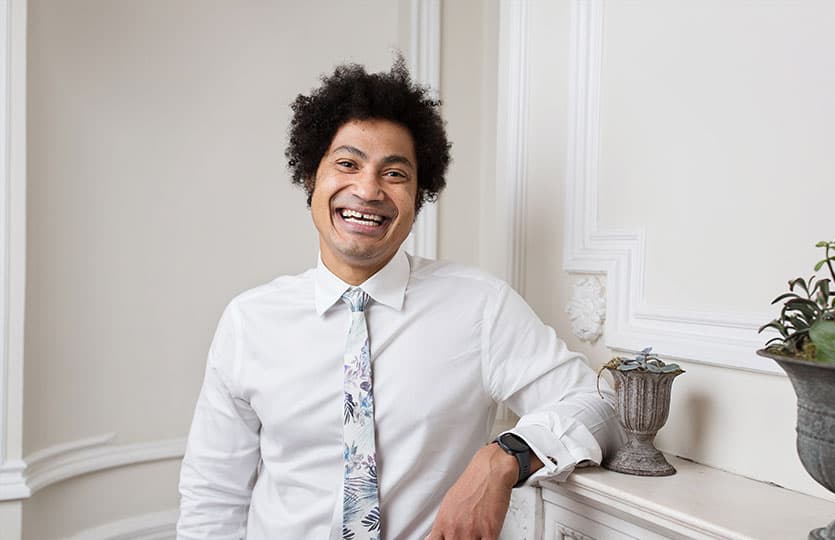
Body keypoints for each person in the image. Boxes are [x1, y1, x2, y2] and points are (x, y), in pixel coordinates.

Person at [177, 59, 621, 540]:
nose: (367, 190)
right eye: (347, 164)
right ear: (311, 176)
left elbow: (603, 406)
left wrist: (503, 458)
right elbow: (213, 499)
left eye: (394, 173)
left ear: (419, 194)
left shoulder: (480, 308)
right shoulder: (249, 321)